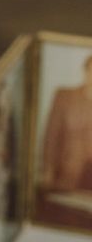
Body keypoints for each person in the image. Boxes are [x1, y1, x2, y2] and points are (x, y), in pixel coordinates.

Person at [42, 55, 92, 192]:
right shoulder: (65, 96)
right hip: (67, 172)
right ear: (85, 71)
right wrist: (47, 169)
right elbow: (51, 134)